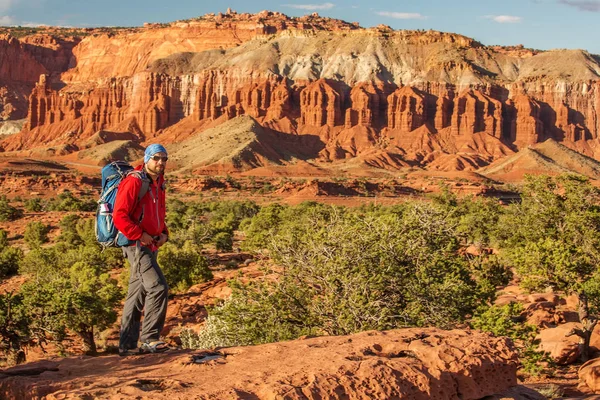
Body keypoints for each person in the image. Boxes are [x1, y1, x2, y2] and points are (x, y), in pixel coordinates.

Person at [113, 144, 170, 355]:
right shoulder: (134, 182)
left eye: (164, 159)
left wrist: (164, 233)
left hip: (151, 243)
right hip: (136, 245)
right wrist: (140, 235)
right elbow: (119, 216)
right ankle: (150, 339)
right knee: (157, 287)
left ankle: (126, 346)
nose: (161, 162)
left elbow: (158, 213)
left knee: (136, 295)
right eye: (156, 158)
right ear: (147, 159)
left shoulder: (158, 183)